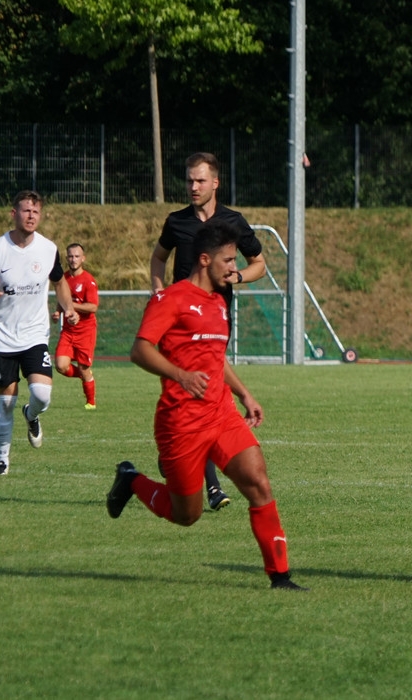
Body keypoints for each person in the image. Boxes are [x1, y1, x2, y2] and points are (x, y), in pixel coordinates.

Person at [107, 219, 305, 590]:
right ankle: (132, 480)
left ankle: (280, 577)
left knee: (259, 484)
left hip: (221, 414)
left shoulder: (218, 304)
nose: (234, 268)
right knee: (187, 515)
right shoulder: (171, 299)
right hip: (181, 422)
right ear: (204, 260)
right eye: (228, 260)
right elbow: (140, 350)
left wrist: (244, 394)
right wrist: (180, 375)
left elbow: (215, 358)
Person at [151, 152, 267, 511]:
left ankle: (175, 457)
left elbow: (259, 264)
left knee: (205, 397)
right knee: (200, 396)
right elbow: (158, 257)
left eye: (200, 180)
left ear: (215, 183)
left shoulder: (233, 222)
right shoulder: (177, 222)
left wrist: (238, 276)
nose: (193, 186)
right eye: (189, 180)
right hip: (181, 326)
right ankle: (213, 487)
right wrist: (158, 291)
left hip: (217, 322)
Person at [0, 190, 79, 475]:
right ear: (14, 214)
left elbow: (59, 282)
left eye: (36, 211)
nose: (31, 216)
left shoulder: (48, 249)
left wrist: (68, 308)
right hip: (2, 337)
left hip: (34, 335)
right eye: (26, 210)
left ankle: (31, 415)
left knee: (42, 395)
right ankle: (2, 460)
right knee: (6, 402)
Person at [53, 243, 99, 409]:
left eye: (77, 256)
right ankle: (85, 376)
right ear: (67, 258)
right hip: (68, 331)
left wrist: (71, 306)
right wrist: (58, 312)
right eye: (71, 256)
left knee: (84, 367)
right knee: (60, 365)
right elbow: (62, 300)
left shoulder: (88, 280)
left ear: (83, 258)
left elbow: (93, 307)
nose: (73, 259)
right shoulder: (63, 279)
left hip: (85, 331)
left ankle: (91, 403)